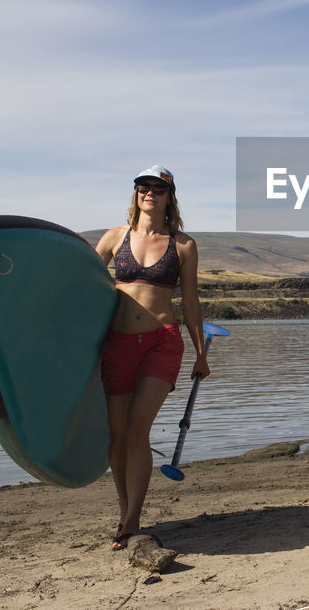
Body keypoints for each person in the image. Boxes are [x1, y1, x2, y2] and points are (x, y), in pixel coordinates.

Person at [95, 165, 209, 550]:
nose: (150, 193)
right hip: (118, 343)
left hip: (163, 341)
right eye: (143, 187)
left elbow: (190, 304)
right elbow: (82, 286)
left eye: (158, 189)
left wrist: (199, 353)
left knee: (138, 425)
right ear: (136, 194)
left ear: (168, 196)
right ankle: (125, 508)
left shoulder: (183, 245)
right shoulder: (114, 237)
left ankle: (130, 522)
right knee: (117, 434)